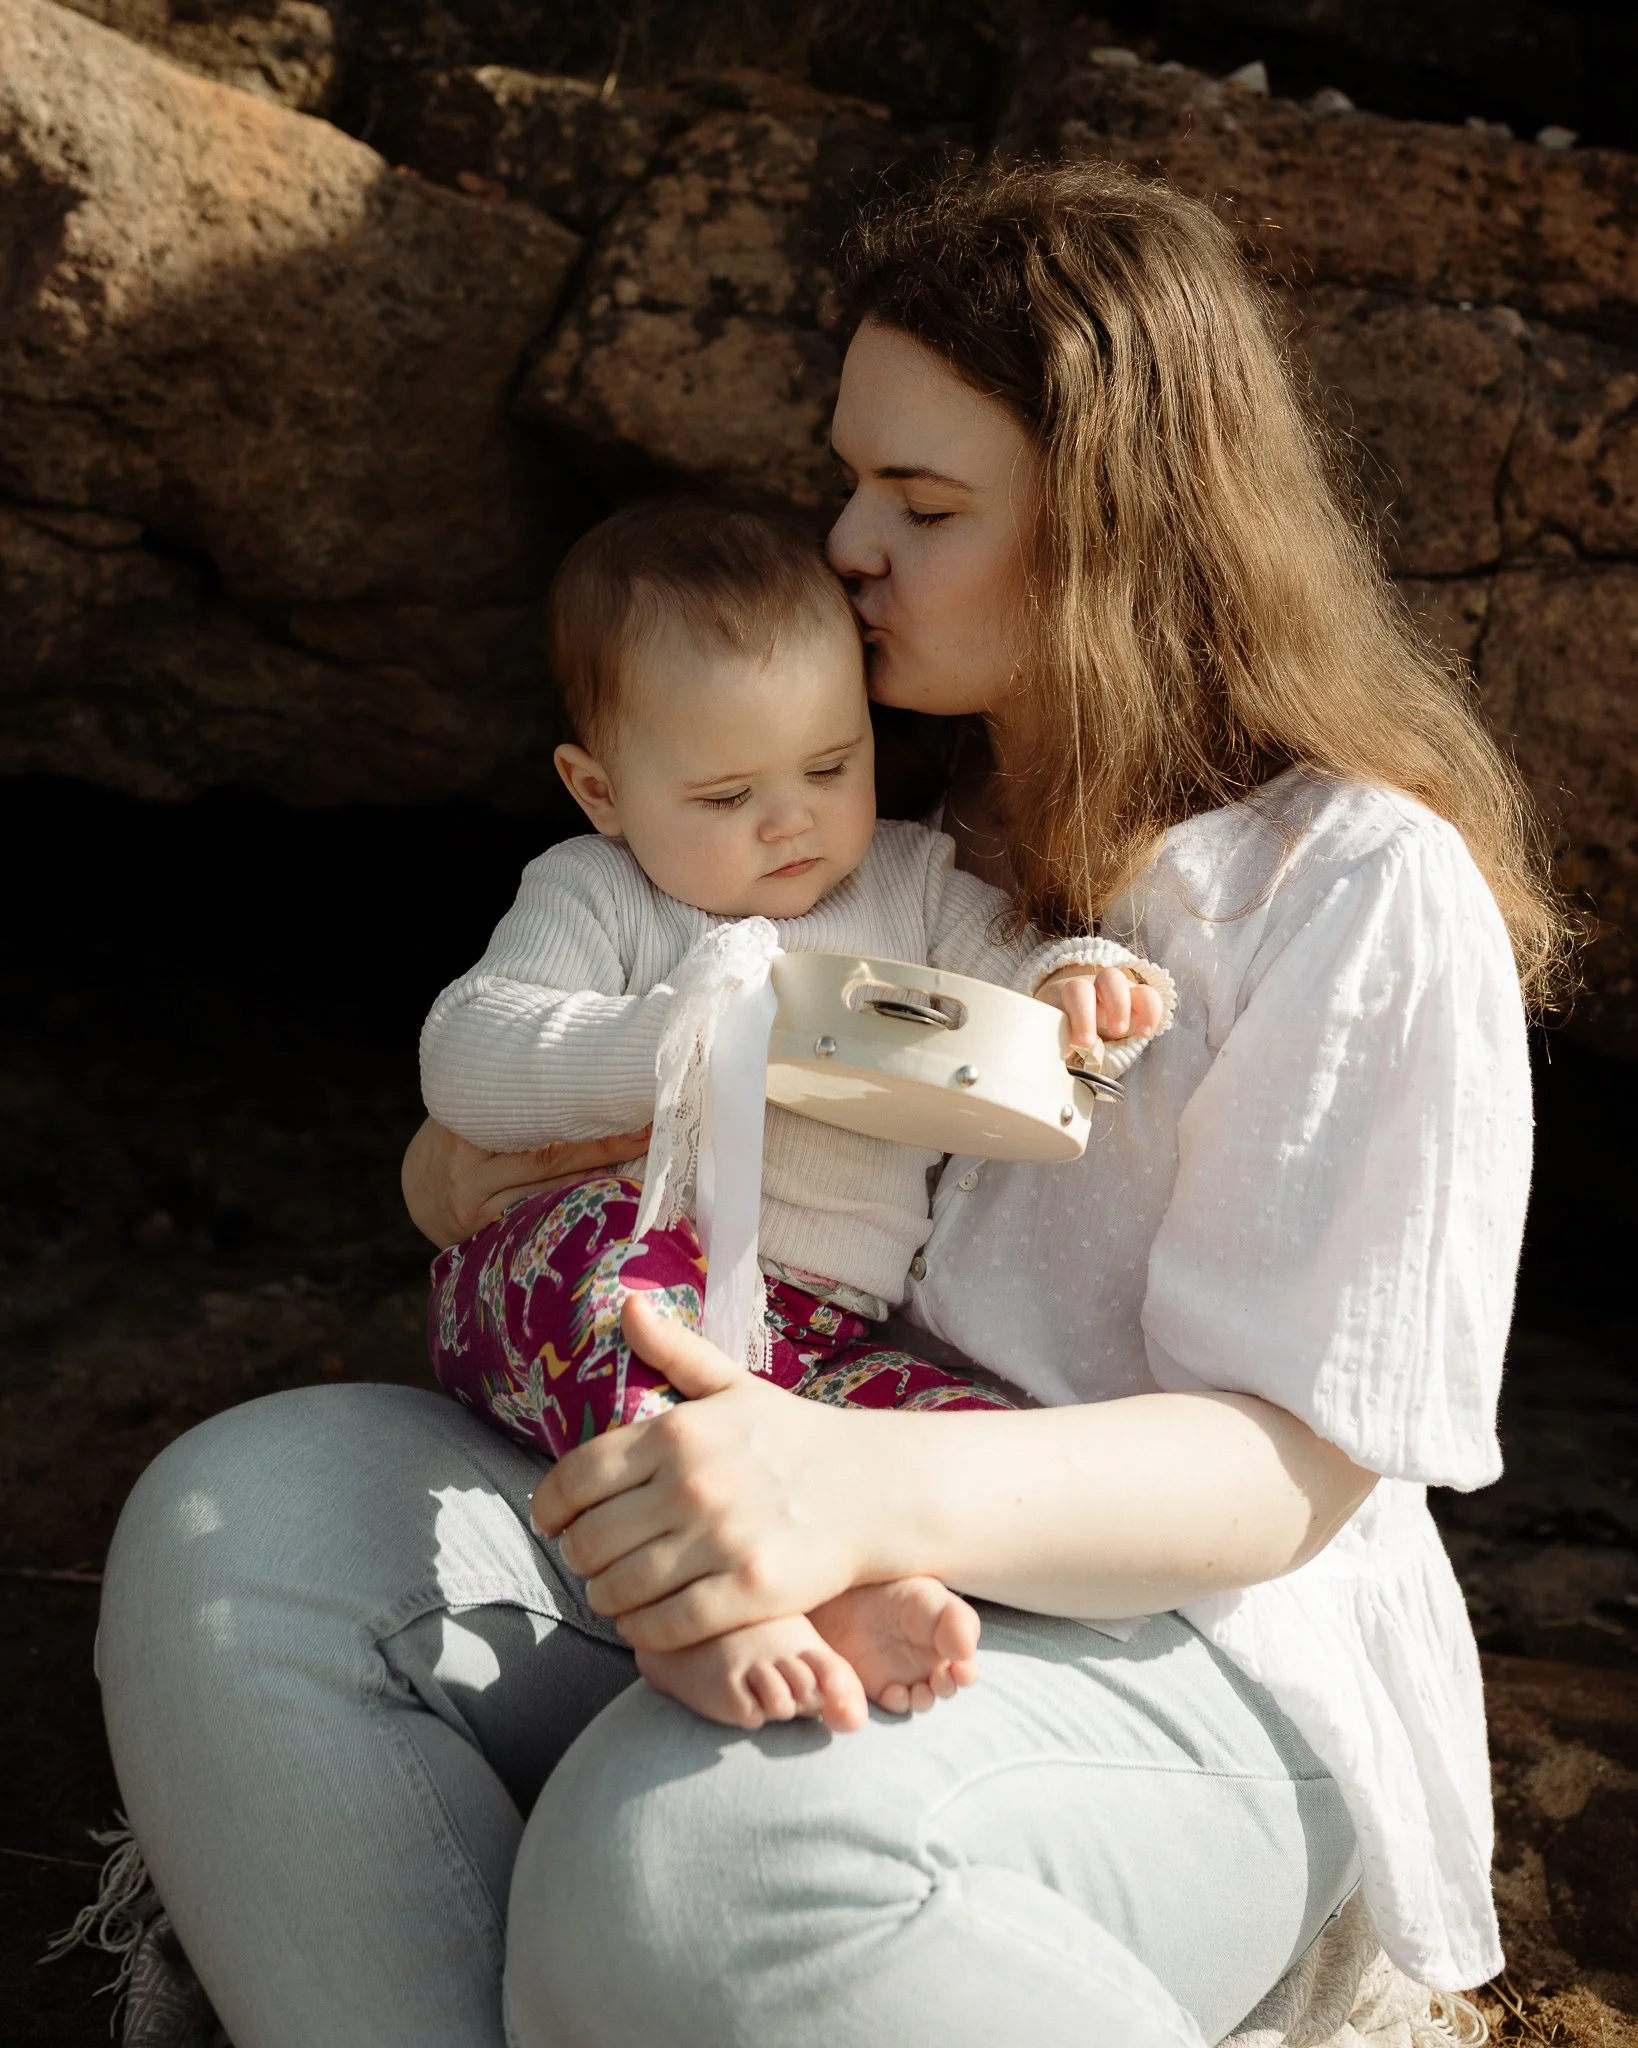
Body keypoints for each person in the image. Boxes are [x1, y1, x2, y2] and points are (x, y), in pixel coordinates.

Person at [95, 157, 1562, 2048]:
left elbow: (1291, 1466)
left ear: (1119, 521)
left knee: (691, 1848)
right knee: (249, 1527)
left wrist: (841, 1476)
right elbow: (573, 1073)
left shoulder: (1353, 886)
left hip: (1174, 1649)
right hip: (767, 1471)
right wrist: (460, 1161)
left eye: (923, 500)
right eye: (850, 478)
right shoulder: (871, 827)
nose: (848, 539)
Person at [419, 495, 1173, 1736]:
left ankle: (846, 1585)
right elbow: (468, 1052)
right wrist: (696, 1039)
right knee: (611, 1289)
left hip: (818, 1336)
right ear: (600, 790)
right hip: (600, 1275)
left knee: (979, 1439)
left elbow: (1006, 962)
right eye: (724, 794)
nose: (793, 818)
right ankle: (705, 1616)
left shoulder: (906, 880)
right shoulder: (598, 891)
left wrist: (1072, 978)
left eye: (831, 765)